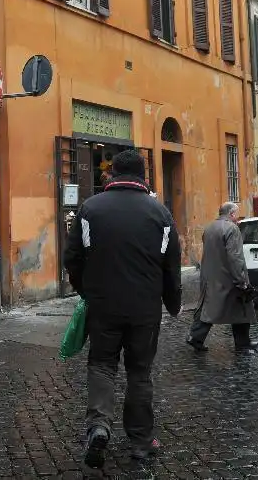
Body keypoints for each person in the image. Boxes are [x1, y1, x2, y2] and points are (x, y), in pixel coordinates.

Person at [63, 150, 181, 468]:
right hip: (145, 308)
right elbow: (171, 266)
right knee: (140, 372)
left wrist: (85, 289)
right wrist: (173, 303)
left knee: (102, 364)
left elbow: (71, 257)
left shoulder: (90, 209)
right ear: (143, 176)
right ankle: (141, 442)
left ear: (113, 173)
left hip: (104, 304)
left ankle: (99, 426)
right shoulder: (160, 214)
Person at [187, 202, 256, 352]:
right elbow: (235, 257)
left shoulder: (209, 227)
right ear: (231, 214)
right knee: (241, 306)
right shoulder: (232, 228)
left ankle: (195, 336)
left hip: (211, 276)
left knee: (209, 308)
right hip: (228, 277)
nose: (237, 218)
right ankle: (243, 342)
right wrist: (242, 280)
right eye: (236, 215)